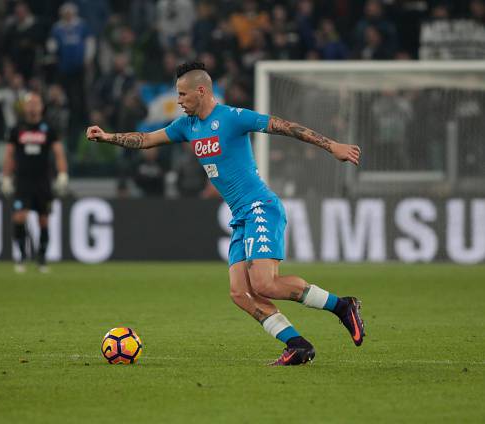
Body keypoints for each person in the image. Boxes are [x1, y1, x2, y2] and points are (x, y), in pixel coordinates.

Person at [86, 62, 364, 366]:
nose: (178, 101)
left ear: (201, 91)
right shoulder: (186, 126)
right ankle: (297, 345)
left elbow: (284, 126)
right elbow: (147, 139)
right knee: (239, 293)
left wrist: (331, 146)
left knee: (265, 284)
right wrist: (108, 137)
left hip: (260, 206)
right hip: (239, 216)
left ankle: (342, 306)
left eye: (182, 94)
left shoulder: (233, 118)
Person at [2, 93, 68, 273]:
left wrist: (62, 174)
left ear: (41, 107)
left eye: (36, 103)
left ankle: (42, 258)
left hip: (42, 181)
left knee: (43, 220)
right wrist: (6, 178)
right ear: (24, 107)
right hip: (22, 181)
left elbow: (59, 153)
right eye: (29, 103)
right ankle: (22, 256)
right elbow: (9, 154)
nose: (32, 106)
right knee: (19, 217)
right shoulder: (16, 129)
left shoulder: (49, 129)